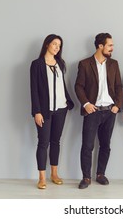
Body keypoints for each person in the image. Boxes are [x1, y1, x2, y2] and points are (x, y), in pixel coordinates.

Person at [75, 33, 123, 189]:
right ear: (100, 46)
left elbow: (118, 87)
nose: (112, 48)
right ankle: (86, 178)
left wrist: (117, 105)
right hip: (92, 111)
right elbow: (79, 86)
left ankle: (100, 174)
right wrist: (86, 103)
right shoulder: (84, 64)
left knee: (105, 145)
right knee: (87, 145)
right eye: (110, 45)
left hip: (110, 111)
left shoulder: (114, 64)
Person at [30, 34, 74, 189]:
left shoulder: (60, 63)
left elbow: (62, 85)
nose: (57, 47)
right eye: (55, 44)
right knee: (43, 142)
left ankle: (54, 173)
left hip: (61, 108)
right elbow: (34, 90)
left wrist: (68, 103)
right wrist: (37, 111)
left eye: (59, 45)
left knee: (56, 141)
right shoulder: (37, 64)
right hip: (45, 110)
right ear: (47, 44)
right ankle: (41, 177)